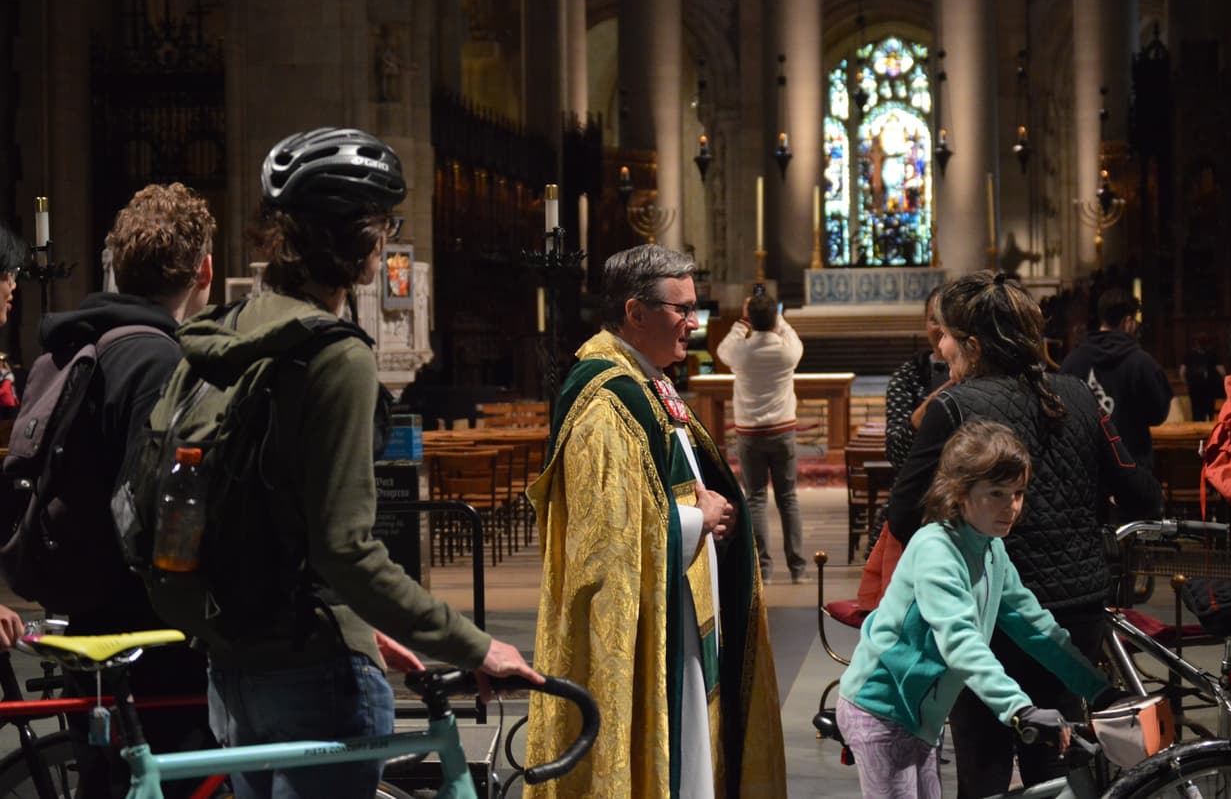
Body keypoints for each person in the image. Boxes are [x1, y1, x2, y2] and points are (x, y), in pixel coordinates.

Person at [210, 127, 539, 799]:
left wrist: (370, 625)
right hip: (315, 668)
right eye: (384, 223)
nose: (386, 239)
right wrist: (475, 645)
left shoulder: (238, 325)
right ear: (355, 236)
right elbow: (345, 548)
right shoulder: (337, 355)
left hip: (233, 659)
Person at [881, 270, 1162, 798]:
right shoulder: (1078, 395)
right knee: (1054, 766)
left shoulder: (955, 406)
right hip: (1076, 607)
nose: (939, 347)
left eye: (946, 336)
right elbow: (1142, 495)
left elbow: (902, 514)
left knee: (984, 768)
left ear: (974, 344)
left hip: (991, 613)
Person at [524, 244, 787, 798]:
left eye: (696, 310)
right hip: (656, 616)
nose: (694, 325)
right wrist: (696, 518)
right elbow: (602, 543)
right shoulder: (605, 400)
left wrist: (713, 516)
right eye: (681, 311)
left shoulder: (645, 379)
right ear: (634, 312)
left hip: (685, 600)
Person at [37, 182, 219, 798]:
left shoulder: (69, 350)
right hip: (149, 634)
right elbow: (156, 506)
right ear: (206, 272)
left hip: (83, 616)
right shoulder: (159, 362)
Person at [838, 419, 1112, 799]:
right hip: (882, 707)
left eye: (1018, 492)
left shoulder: (990, 547)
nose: (1011, 506)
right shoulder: (937, 549)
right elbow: (961, 640)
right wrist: (1020, 709)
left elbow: (1035, 627)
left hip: (919, 716)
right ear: (959, 493)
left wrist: (1097, 688)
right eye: (997, 493)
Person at [714, 291, 808, 584]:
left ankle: (764, 570)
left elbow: (722, 349)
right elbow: (791, 335)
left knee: (755, 499)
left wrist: (743, 321)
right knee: (788, 499)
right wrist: (775, 316)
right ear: (774, 317)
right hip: (782, 431)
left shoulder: (741, 352)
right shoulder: (786, 351)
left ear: (750, 319)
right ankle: (798, 569)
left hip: (750, 433)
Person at [1060, 289, 1173, 468]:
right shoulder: (1143, 363)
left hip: (1088, 466)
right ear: (1127, 322)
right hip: (1132, 466)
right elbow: (1158, 414)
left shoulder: (1073, 361)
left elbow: (1062, 414)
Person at [884, 285, 953, 472]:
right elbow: (895, 452)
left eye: (950, 319)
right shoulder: (907, 376)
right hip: (920, 484)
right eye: (934, 320)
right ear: (925, 322)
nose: (942, 328)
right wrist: (944, 392)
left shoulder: (980, 373)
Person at [1180, 332, 1227, 422]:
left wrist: (1186, 382)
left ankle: (1197, 427)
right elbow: (1222, 371)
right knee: (1209, 410)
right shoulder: (1212, 354)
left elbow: (1182, 371)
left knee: (1196, 409)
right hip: (1208, 386)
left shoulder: (1190, 354)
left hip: (1195, 386)